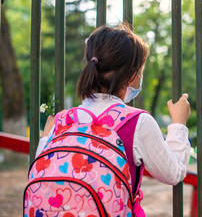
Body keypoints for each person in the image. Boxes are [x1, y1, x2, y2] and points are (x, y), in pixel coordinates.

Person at [35, 23, 191, 215]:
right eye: (141, 72)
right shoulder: (137, 122)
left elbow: (42, 171)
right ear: (133, 76)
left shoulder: (61, 121)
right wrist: (178, 124)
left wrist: (44, 138)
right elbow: (172, 173)